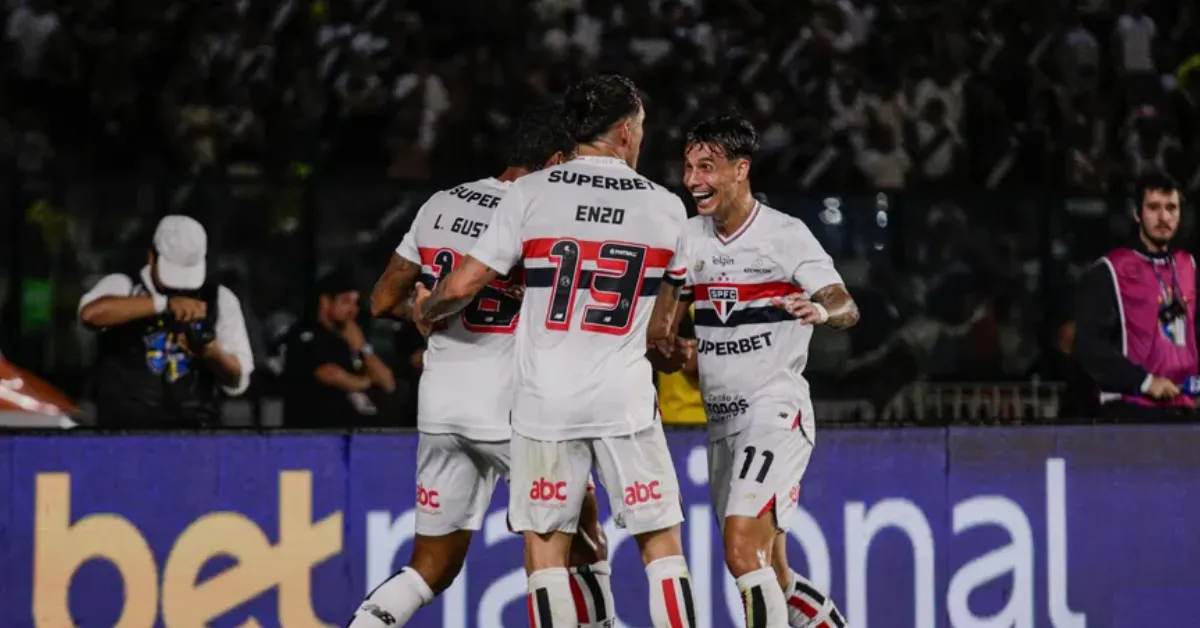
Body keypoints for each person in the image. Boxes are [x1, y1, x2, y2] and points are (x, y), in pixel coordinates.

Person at [414, 75, 697, 628]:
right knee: (661, 547)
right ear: (623, 130)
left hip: (545, 403)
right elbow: (663, 335)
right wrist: (676, 352)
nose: (640, 139)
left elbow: (465, 284)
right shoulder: (666, 208)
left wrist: (425, 308)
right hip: (624, 398)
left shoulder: (530, 193)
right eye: (640, 129)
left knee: (545, 556)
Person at [347, 100, 614, 628]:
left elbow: (381, 301)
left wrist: (422, 312)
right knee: (576, 544)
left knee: (430, 568)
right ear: (556, 159)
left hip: (442, 411)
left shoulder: (440, 203)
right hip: (513, 411)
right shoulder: (537, 212)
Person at [648, 115, 855, 628]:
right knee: (774, 574)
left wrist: (822, 311)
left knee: (742, 549)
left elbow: (844, 303)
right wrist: (671, 345)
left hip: (775, 413)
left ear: (741, 170)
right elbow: (664, 343)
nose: (694, 180)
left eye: (707, 167)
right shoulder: (687, 240)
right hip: (721, 426)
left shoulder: (784, 234)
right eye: (689, 167)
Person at [78, 215, 253, 428]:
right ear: (152, 257)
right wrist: (163, 304)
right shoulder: (124, 285)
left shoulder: (220, 298)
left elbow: (237, 380)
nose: (180, 287)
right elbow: (90, 315)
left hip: (196, 434)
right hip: (126, 433)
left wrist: (211, 353)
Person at [1074, 172, 1198, 420]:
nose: (1164, 217)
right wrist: (1145, 381)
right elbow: (1089, 346)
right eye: (1154, 207)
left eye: (1171, 208)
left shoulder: (1189, 265)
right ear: (1137, 213)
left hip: (1187, 409)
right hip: (1133, 411)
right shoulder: (1111, 270)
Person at [282, 265, 395, 427]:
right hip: (316, 433)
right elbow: (328, 374)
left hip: (360, 432)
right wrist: (368, 382)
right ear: (325, 302)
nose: (353, 310)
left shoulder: (353, 336)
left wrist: (363, 348)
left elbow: (388, 383)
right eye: (346, 302)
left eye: (356, 303)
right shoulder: (307, 333)